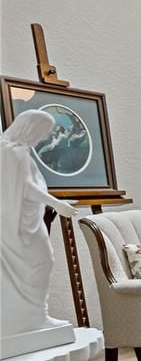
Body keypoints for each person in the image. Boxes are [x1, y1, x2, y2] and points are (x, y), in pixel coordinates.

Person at [0, 109, 77, 338]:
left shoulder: (7, 150)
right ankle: (36, 317)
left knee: (30, 267)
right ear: (31, 127)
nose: (44, 137)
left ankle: (29, 316)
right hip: (22, 225)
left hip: (19, 220)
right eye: (43, 131)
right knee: (42, 262)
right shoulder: (16, 153)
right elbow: (27, 188)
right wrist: (57, 203)